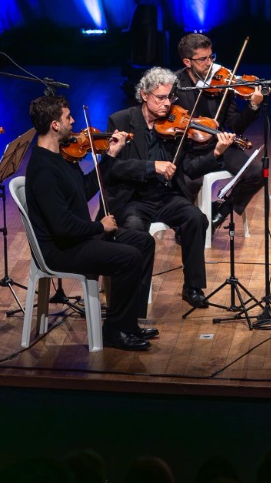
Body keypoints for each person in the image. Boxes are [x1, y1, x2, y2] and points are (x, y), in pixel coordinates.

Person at [22, 94, 157, 351]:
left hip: (79, 238)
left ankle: (128, 322)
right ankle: (115, 331)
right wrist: (100, 226)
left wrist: (110, 157)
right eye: (68, 117)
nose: (74, 122)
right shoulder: (43, 171)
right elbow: (63, 227)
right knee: (129, 257)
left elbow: (84, 190)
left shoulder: (63, 157)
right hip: (61, 249)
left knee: (143, 242)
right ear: (55, 125)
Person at [104, 67, 238, 308]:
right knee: (134, 229)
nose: (167, 104)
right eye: (161, 98)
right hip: (134, 199)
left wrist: (216, 153)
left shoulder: (176, 125)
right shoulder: (121, 120)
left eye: (170, 97)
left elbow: (189, 169)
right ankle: (134, 299)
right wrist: (151, 167)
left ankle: (193, 287)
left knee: (196, 218)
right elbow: (114, 167)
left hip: (166, 196)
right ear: (144, 95)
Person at [171, 32, 265, 236]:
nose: (210, 63)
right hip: (188, 150)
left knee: (257, 173)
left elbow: (235, 125)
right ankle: (186, 224)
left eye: (211, 57)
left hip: (219, 146)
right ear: (187, 62)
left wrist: (253, 106)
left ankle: (221, 212)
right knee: (184, 183)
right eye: (202, 59)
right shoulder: (175, 86)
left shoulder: (221, 83)